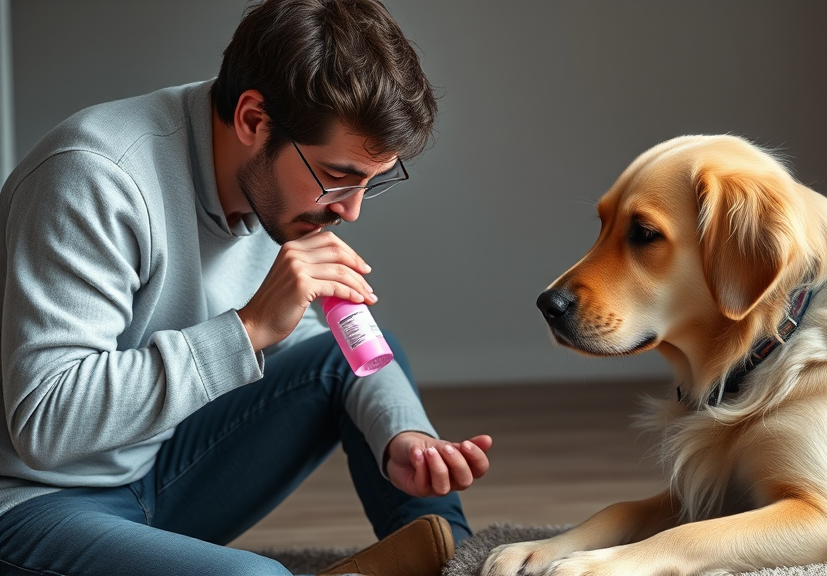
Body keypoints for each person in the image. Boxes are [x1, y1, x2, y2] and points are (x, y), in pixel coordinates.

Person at [0, 0, 491, 575]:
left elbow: (315, 341)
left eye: (370, 184)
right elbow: (46, 423)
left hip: (157, 471)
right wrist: (250, 327)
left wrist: (404, 438)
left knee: (352, 353)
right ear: (253, 121)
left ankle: (455, 564)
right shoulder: (94, 177)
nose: (351, 211)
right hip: (31, 502)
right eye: (336, 178)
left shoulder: (272, 186)